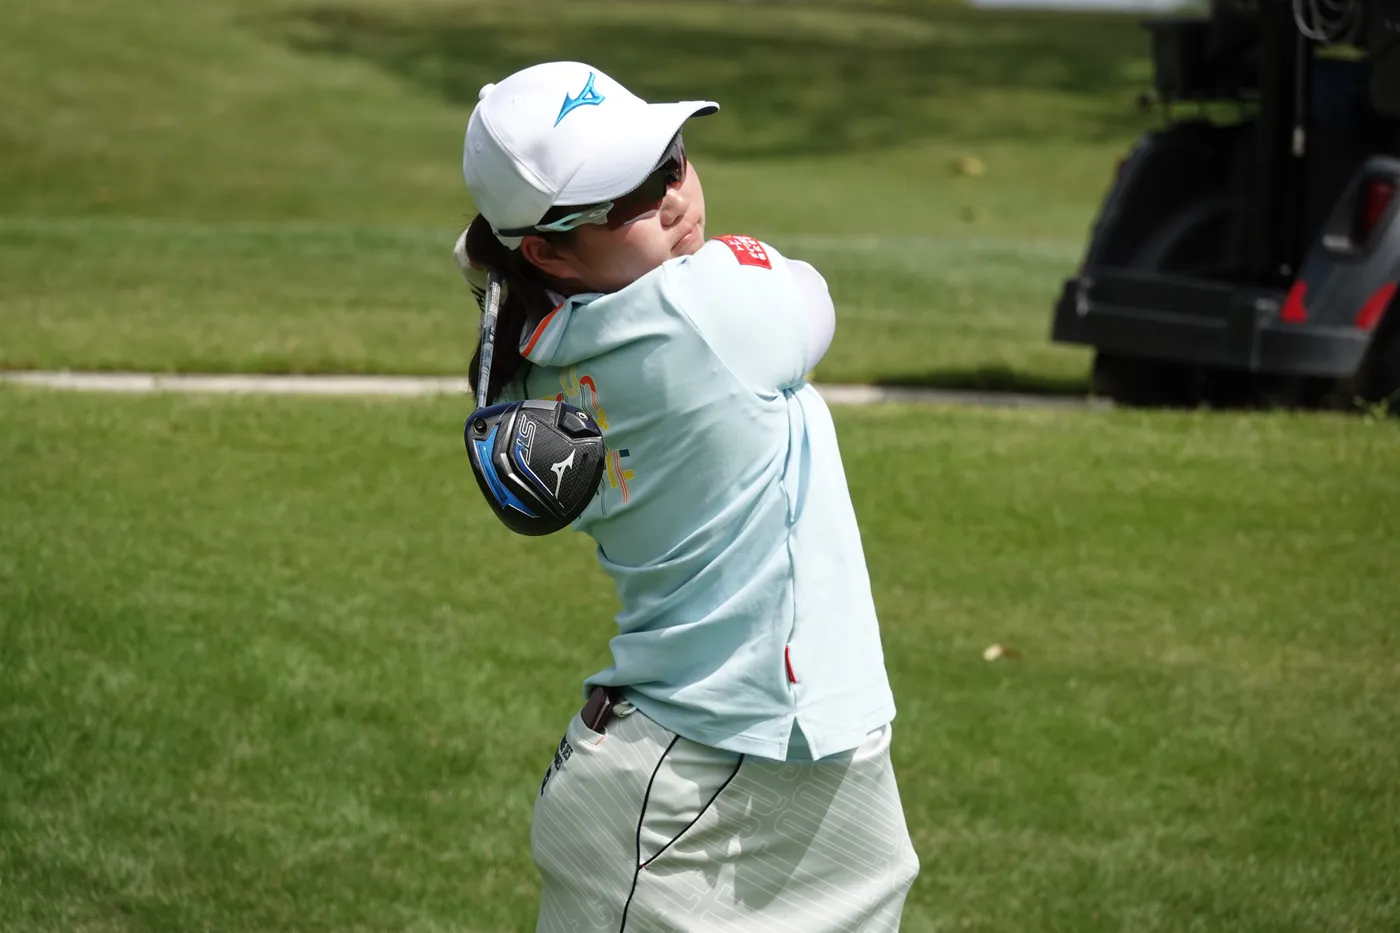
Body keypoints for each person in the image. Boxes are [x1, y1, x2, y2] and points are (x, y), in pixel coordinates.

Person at [457, 61, 920, 932]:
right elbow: (813, 298)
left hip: (748, 759)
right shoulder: (707, 306)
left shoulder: (536, 362)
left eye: (669, 159)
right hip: (691, 795)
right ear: (548, 250)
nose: (673, 197)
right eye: (631, 197)